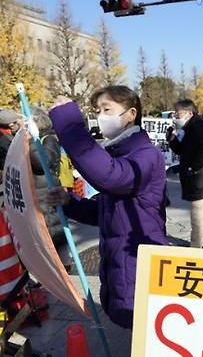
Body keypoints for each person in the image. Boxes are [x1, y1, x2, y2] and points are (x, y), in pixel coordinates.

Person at [46, 86, 168, 328]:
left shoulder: (146, 155)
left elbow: (111, 177)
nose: (101, 116)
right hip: (121, 265)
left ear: (131, 114)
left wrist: (70, 125)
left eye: (107, 109)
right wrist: (71, 203)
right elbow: (105, 212)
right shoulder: (120, 154)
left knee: (145, 338)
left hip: (139, 262)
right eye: (98, 110)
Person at [167, 99, 203, 249]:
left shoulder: (199, 127)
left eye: (178, 114)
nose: (176, 117)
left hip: (202, 182)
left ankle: (195, 249)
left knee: (198, 220)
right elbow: (180, 149)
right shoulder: (188, 128)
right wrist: (172, 139)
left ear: (189, 113)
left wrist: (193, 168)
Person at [28, 106, 71, 270]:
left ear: (37, 121)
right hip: (38, 195)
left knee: (55, 233)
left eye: (28, 122)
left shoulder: (48, 139)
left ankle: (62, 268)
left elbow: (42, 162)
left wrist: (32, 140)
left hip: (47, 194)